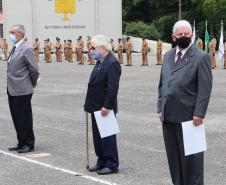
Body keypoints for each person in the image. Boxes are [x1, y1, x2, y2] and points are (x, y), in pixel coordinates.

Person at [157, 20, 212, 185]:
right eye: (180, 34)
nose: (183, 37)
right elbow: (162, 84)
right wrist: (160, 107)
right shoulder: (167, 56)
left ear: (192, 35)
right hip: (168, 117)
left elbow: (205, 88)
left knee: (192, 162)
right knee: (174, 160)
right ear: (173, 37)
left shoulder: (201, 57)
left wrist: (199, 113)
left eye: (186, 34)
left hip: (190, 118)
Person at [84, 35, 121, 175]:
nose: (90, 50)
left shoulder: (112, 63)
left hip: (105, 108)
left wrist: (107, 106)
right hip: (95, 106)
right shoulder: (100, 61)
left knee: (107, 137)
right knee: (98, 138)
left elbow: (112, 88)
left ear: (103, 48)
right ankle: (101, 161)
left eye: (93, 47)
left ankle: (112, 163)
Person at [7, 25, 39, 153]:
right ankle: (21, 142)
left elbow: (34, 69)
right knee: (16, 117)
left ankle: (28, 143)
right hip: (12, 89)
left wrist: (32, 83)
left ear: (20, 34)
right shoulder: (15, 48)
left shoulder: (26, 49)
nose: (10, 35)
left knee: (24, 117)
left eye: (12, 32)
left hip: (22, 89)